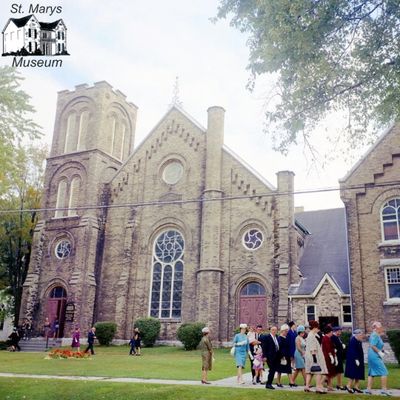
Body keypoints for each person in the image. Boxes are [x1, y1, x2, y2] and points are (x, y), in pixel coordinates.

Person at [365, 321, 390, 396]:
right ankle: (384, 390)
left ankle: (368, 390)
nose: (381, 328)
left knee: (371, 372)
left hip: (373, 355)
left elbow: (377, 345)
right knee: (384, 372)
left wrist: (383, 351)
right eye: (380, 327)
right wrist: (379, 352)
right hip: (374, 356)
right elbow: (373, 345)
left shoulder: (376, 335)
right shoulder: (375, 335)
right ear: (375, 327)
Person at [304, 320, 328, 393]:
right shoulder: (311, 335)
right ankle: (318, 387)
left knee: (309, 372)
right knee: (318, 372)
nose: (318, 328)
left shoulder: (312, 335)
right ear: (314, 327)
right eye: (317, 327)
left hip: (310, 356)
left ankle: (307, 386)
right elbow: (313, 348)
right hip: (314, 356)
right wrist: (315, 359)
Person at [344, 329, 365, 394]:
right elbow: (352, 351)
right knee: (352, 373)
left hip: (359, 359)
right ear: (357, 334)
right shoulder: (353, 340)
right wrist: (356, 359)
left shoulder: (359, 340)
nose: (362, 336)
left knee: (358, 373)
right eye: (361, 334)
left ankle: (356, 387)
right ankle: (348, 386)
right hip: (353, 360)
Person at [260, 325, 280, 390]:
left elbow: (277, 346)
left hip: (276, 356)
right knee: (272, 370)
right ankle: (268, 384)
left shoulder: (277, 337)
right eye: (273, 330)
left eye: (275, 330)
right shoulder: (267, 337)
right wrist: (264, 356)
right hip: (269, 356)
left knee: (273, 370)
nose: (274, 331)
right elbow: (264, 347)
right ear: (270, 330)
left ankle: (269, 383)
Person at [321, 325, 336, 391]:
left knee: (330, 373)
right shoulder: (325, 338)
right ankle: (320, 384)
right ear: (328, 332)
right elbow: (328, 348)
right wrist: (331, 356)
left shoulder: (328, 338)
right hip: (327, 357)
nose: (332, 333)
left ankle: (329, 386)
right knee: (327, 373)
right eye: (331, 332)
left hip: (329, 357)